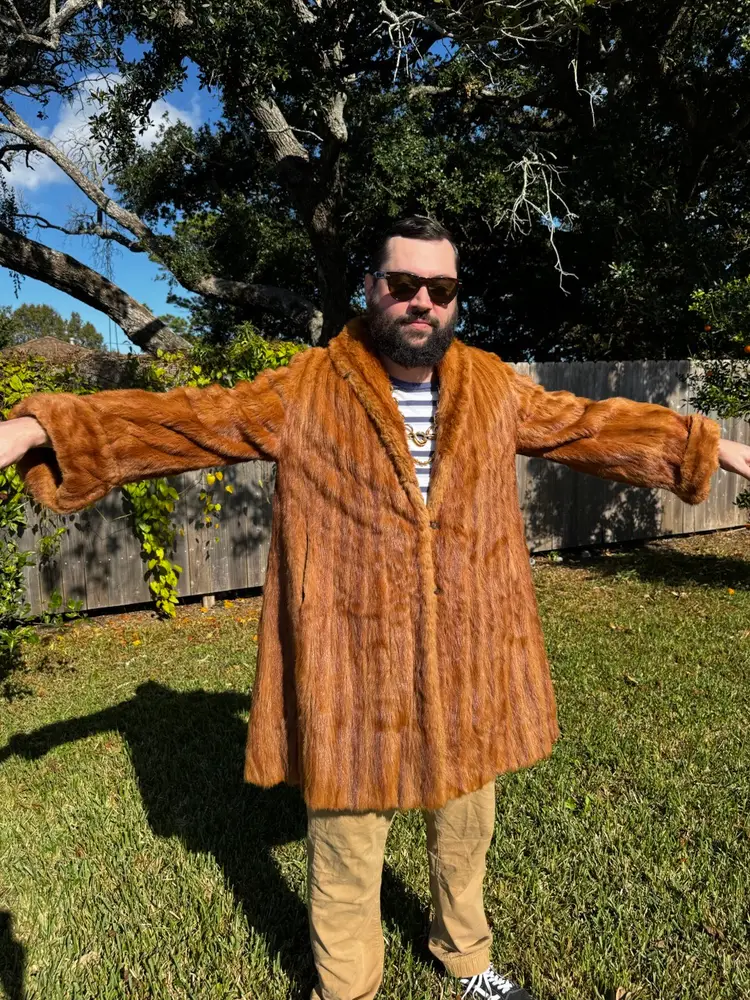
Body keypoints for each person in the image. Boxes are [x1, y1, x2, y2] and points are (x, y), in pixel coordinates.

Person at [1, 216, 749, 1000]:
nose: (422, 301)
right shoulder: (308, 388)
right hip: (352, 674)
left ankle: (466, 958)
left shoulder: (492, 386)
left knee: (466, 836)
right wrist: (41, 429)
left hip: (468, 664)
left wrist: (709, 447)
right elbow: (191, 419)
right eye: (403, 284)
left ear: (455, 300)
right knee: (346, 859)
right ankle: (346, 989)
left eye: (441, 288)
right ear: (371, 288)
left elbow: (588, 425)